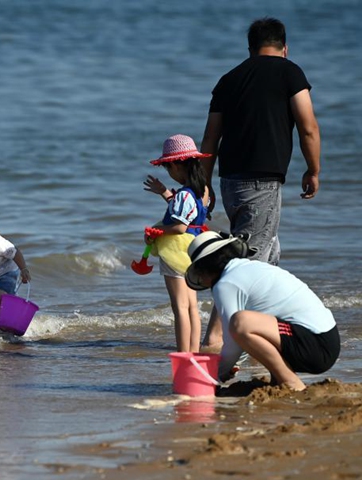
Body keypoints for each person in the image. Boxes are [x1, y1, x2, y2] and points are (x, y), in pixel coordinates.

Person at [200, 17, 322, 351]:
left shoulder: (229, 79)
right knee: (245, 265)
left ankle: (267, 330)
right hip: (263, 183)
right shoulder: (289, 72)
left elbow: (210, 138)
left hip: (230, 182)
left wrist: (204, 184)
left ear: (250, 49)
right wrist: (313, 170)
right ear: (285, 47)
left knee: (269, 257)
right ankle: (214, 341)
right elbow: (308, 125)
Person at [185, 231, 339, 391]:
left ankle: (292, 382)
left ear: (206, 268)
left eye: (199, 272)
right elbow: (246, 339)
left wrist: (215, 375)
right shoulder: (248, 267)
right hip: (326, 340)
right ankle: (278, 379)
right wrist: (230, 366)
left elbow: (233, 339)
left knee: (241, 322)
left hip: (317, 346)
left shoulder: (225, 284)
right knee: (249, 321)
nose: (201, 279)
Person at [142, 134, 211, 352]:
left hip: (175, 249)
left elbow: (179, 226)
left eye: (169, 168)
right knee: (192, 306)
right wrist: (164, 193)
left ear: (176, 165)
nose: (170, 173)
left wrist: (155, 231)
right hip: (194, 248)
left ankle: (183, 354)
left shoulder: (183, 194)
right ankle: (194, 352)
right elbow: (188, 215)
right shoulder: (204, 191)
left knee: (179, 306)